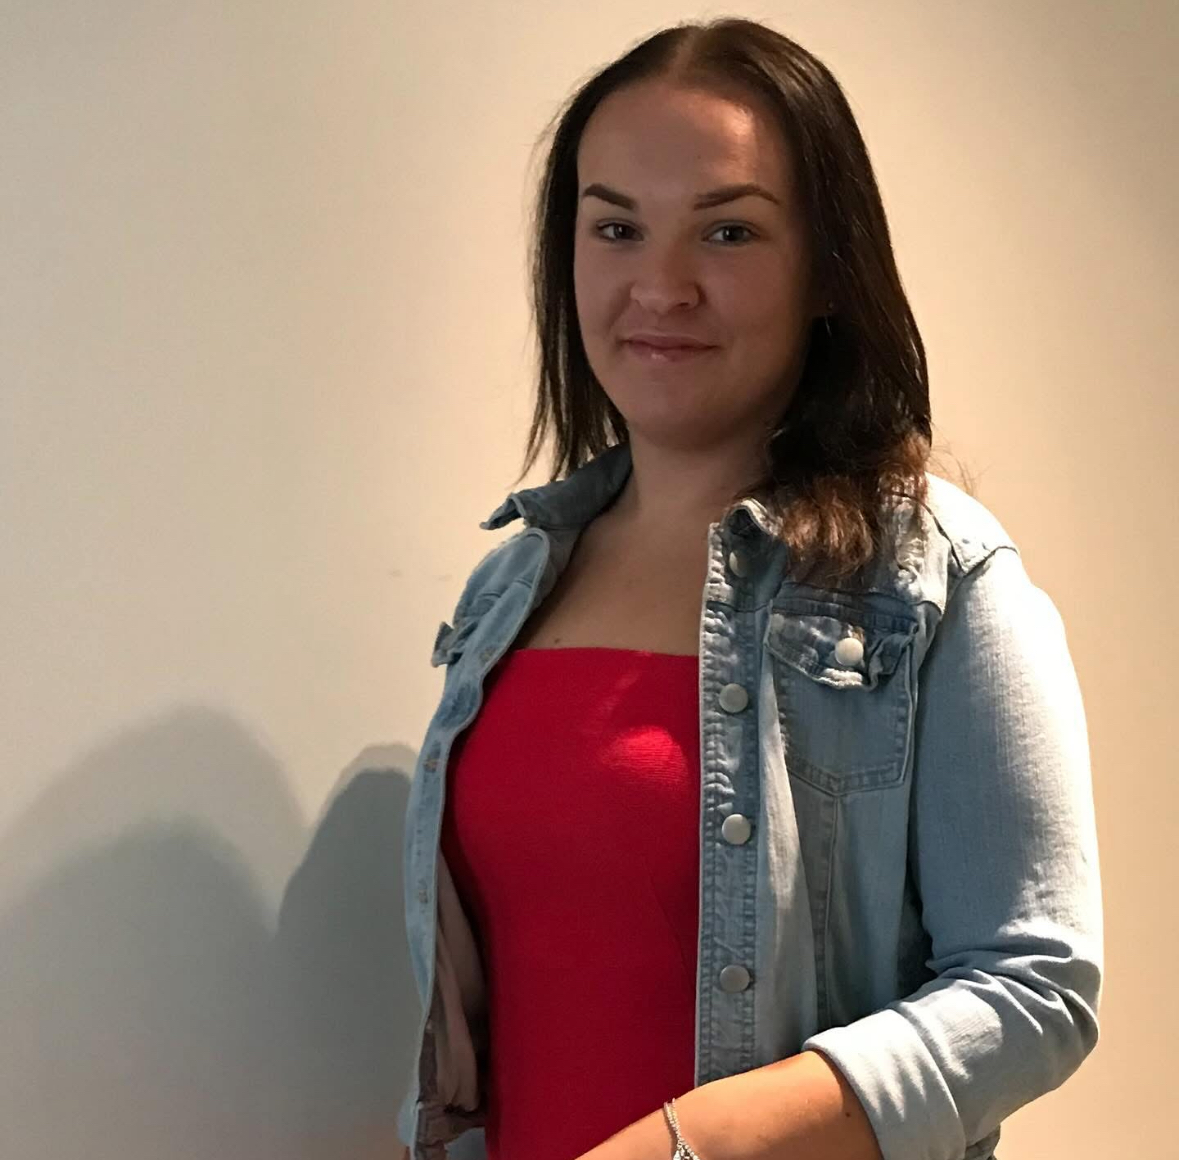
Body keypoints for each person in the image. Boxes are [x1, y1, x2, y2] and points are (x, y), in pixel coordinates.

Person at [395, 17, 1103, 1160]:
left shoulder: (940, 577)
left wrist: (695, 1143)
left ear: (828, 267)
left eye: (727, 231)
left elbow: (1038, 985)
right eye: (615, 226)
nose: (659, 286)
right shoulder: (507, 588)